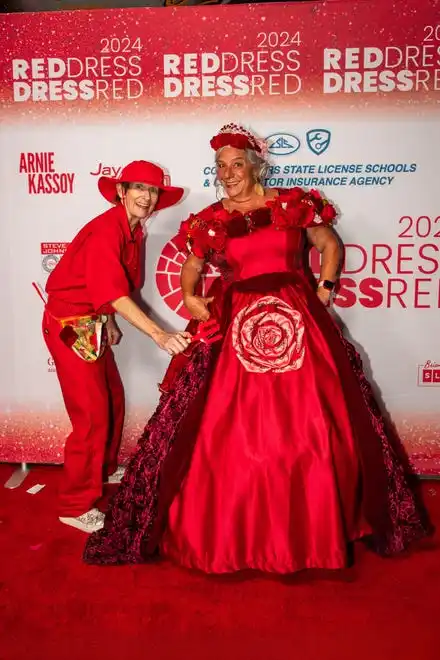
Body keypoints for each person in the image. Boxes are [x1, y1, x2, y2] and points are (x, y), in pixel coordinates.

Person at [84, 126, 430, 572]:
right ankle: (230, 530)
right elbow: (191, 272)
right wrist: (192, 298)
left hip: (301, 320)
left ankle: (318, 525)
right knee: (221, 427)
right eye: (221, 167)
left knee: (321, 420)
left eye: (237, 164)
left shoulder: (292, 204)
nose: (229, 174)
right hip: (236, 323)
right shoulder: (212, 218)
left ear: (257, 166)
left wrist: (322, 290)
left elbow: (328, 244)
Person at [43, 160, 191, 533]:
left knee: (111, 397)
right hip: (69, 325)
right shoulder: (107, 231)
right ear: (121, 192)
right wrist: (159, 334)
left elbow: (105, 290)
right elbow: (113, 292)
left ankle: (104, 469)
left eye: (153, 190)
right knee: (91, 416)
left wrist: (107, 321)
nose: (146, 196)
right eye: (138, 188)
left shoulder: (134, 229)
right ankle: (75, 504)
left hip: (90, 322)